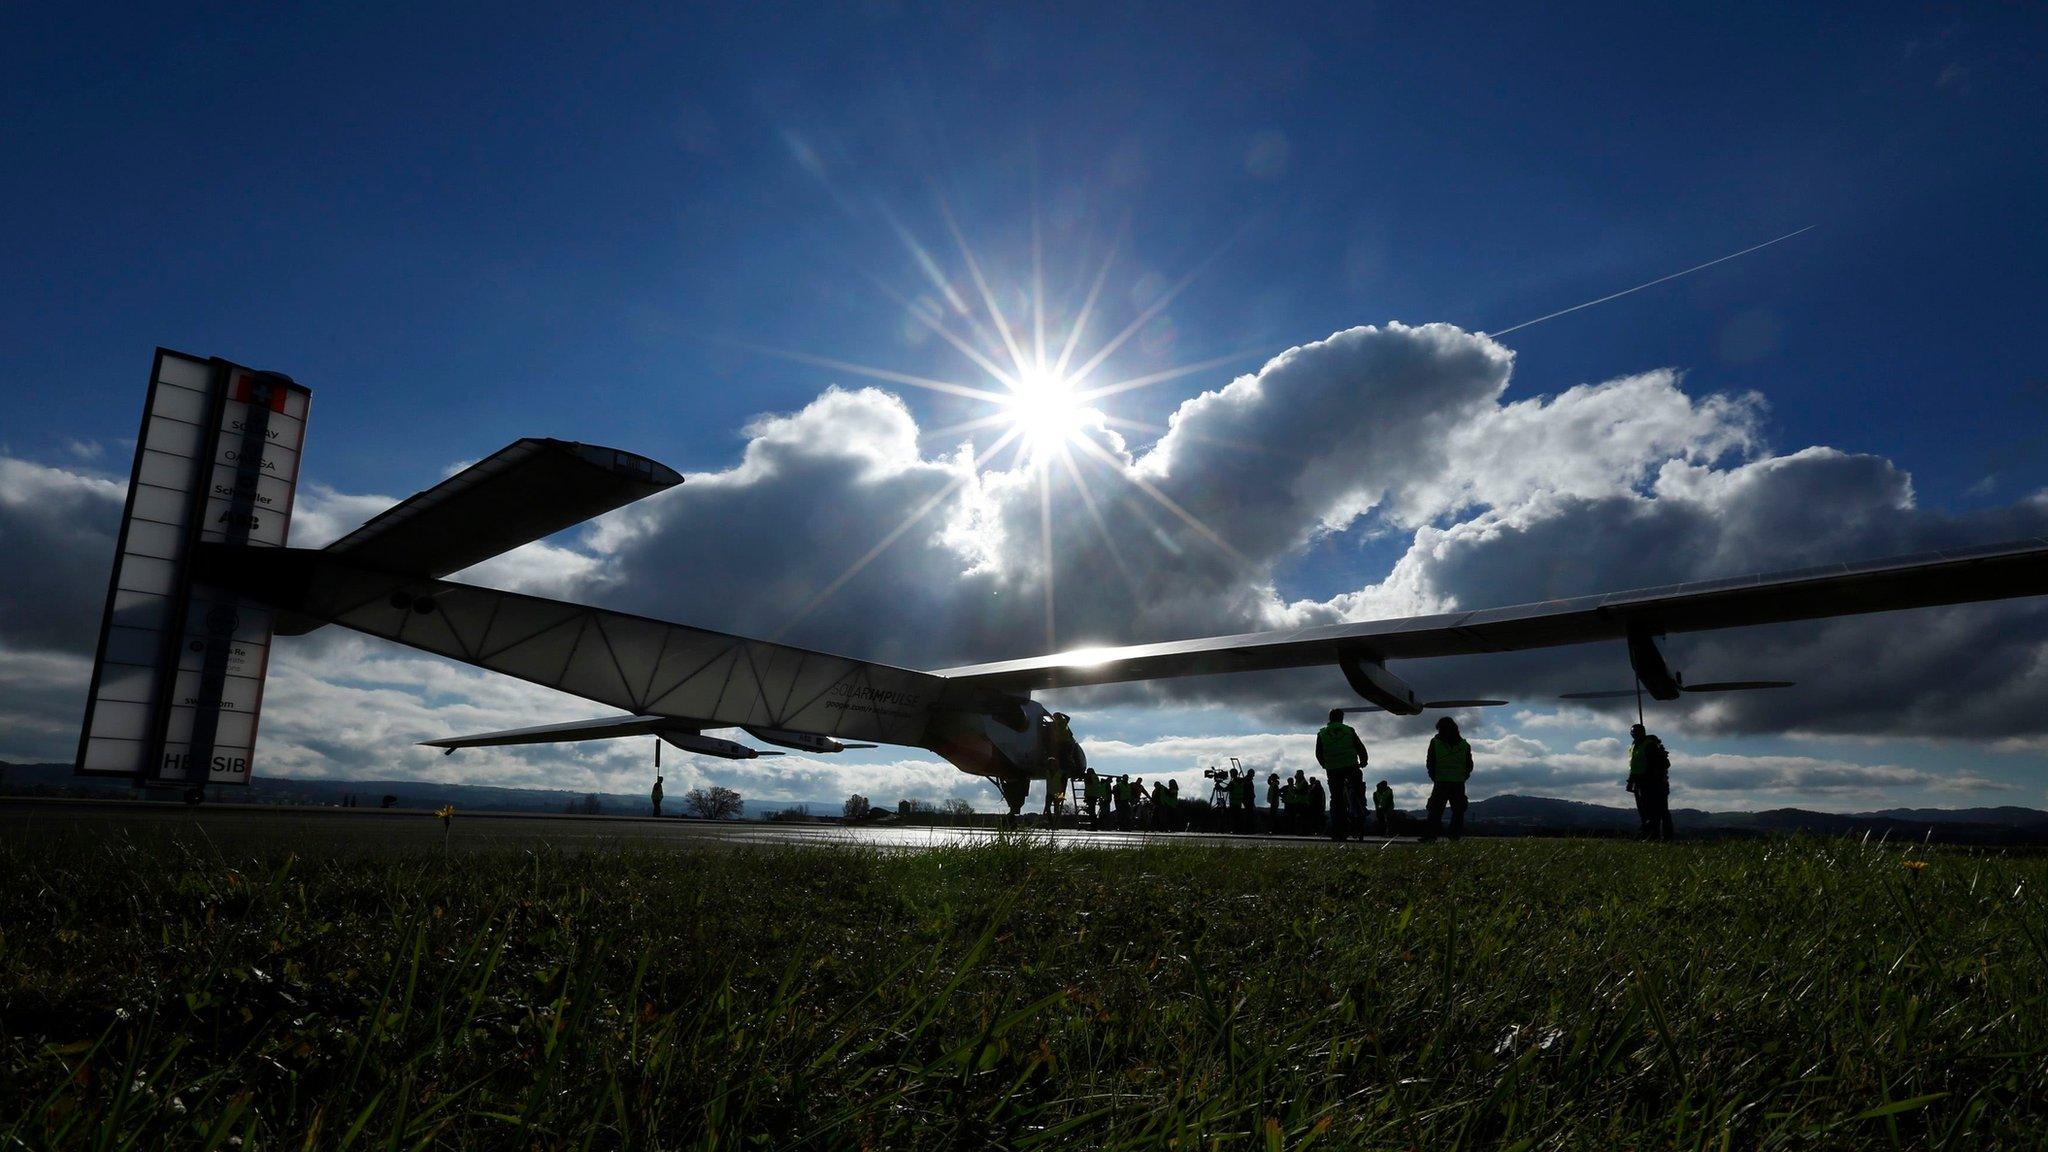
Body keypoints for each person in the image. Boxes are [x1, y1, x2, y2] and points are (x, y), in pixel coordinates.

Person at [1314, 708, 1369, 841]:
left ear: (1330, 718)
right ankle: (1360, 810)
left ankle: (1338, 831)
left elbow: (1318, 753)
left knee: (1337, 799)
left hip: (1333, 769)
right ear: (1342, 718)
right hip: (1351, 766)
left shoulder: (1322, 733)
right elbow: (1360, 747)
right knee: (1358, 790)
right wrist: (1364, 760)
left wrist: (1324, 764)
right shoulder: (1349, 730)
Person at [1424, 716, 1473, 841]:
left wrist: (1433, 775)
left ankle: (1430, 835)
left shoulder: (1435, 742)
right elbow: (1469, 764)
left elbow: (1430, 761)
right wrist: (1464, 776)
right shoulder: (1464, 745)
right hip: (1458, 782)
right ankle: (1454, 836)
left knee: (1435, 810)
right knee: (1458, 811)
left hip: (1441, 781)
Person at [1627, 723, 1675, 841]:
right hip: (1640, 783)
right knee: (1645, 811)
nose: (1635, 735)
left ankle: (1665, 837)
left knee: (1659, 810)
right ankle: (1651, 835)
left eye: (1637, 733)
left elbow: (1660, 765)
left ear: (1642, 732)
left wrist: (1654, 780)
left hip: (1654, 783)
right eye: (1633, 733)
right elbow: (1634, 766)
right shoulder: (1634, 746)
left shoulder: (1650, 746)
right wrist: (1630, 781)